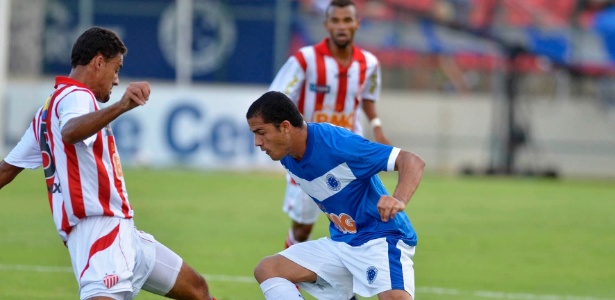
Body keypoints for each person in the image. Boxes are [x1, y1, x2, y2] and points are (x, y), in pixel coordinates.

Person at [0, 27, 216, 300]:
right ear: (98, 62)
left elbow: (6, 171)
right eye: (116, 69)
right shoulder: (77, 96)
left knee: (197, 289)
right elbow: (70, 132)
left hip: (123, 230)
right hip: (99, 233)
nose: (116, 80)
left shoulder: (46, 112)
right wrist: (121, 107)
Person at [247, 91, 425, 300]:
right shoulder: (287, 156)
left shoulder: (337, 144)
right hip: (342, 243)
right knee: (268, 269)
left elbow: (411, 160)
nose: (257, 142)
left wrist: (399, 198)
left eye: (261, 132)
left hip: (380, 237)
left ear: (285, 127)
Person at [269, 0, 392, 252]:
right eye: (335, 21)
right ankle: (287, 276)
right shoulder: (305, 60)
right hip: (308, 154)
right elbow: (276, 96)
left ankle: (347, 287)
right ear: (326, 25)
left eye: (347, 20)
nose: (341, 26)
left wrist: (377, 126)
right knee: (303, 228)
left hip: (348, 155)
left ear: (357, 23)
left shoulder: (369, 64)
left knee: (356, 223)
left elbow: (367, 97)